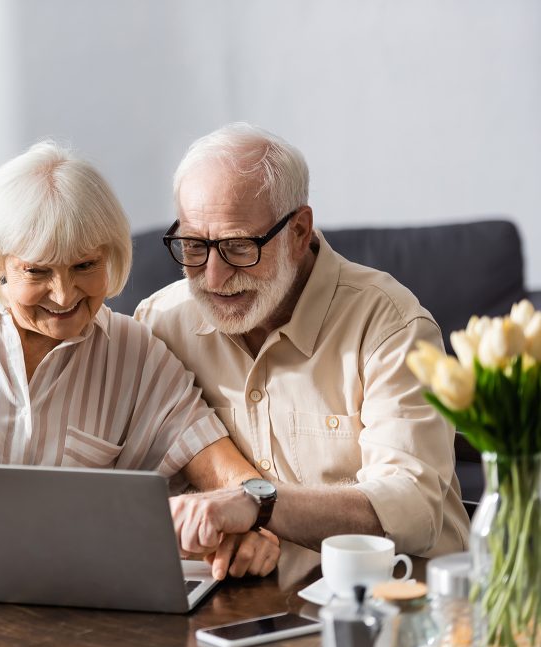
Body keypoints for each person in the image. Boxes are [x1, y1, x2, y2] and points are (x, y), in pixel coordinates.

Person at [0, 140, 279, 580]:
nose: (64, 296)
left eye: (84, 266)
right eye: (37, 271)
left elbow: (230, 475)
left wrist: (252, 525)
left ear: (112, 257)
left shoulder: (136, 353)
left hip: (66, 618)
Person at [135, 123, 469, 558]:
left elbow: (412, 509)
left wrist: (257, 503)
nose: (213, 278)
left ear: (298, 231)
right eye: (194, 246)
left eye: (238, 247)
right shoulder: (160, 322)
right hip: (246, 603)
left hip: (394, 598)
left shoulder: (391, 325)